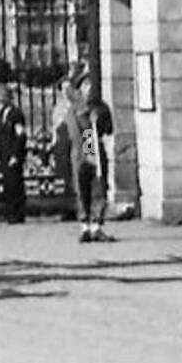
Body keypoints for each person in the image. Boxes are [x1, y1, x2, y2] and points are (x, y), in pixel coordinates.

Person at [67, 67, 114, 242]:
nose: (89, 88)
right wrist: (89, 152)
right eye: (85, 85)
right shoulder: (75, 110)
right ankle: (85, 225)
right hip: (82, 155)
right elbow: (77, 133)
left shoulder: (99, 106)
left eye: (90, 84)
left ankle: (96, 224)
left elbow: (108, 129)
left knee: (99, 188)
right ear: (79, 89)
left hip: (96, 153)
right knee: (82, 189)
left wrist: (100, 119)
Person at [0, 85, 28, 224]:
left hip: (12, 153)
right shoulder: (3, 113)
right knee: (8, 184)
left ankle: (17, 212)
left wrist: (16, 154)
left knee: (15, 184)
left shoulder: (15, 114)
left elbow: (21, 135)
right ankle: (9, 210)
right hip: (5, 152)